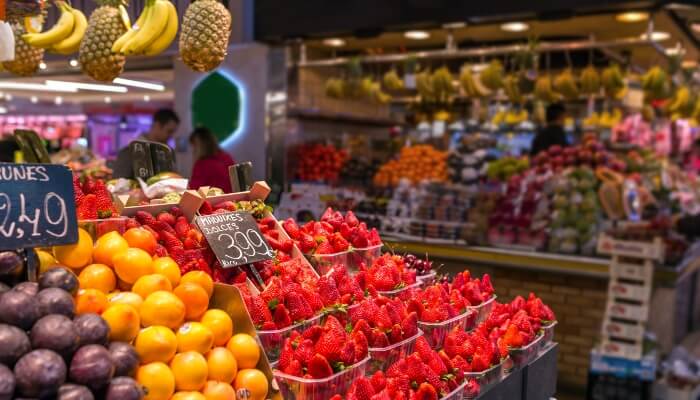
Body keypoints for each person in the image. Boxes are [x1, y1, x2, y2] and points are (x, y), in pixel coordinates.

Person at [112, 108, 180, 178]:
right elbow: (118, 183)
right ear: (157, 125)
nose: (171, 136)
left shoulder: (167, 154)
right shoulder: (129, 152)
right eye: (169, 131)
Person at [188, 127, 235, 192]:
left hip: (211, 201)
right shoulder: (226, 157)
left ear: (199, 145)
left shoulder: (201, 165)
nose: (193, 150)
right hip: (231, 199)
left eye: (194, 146)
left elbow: (194, 190)